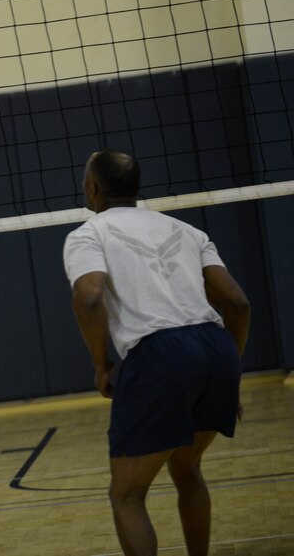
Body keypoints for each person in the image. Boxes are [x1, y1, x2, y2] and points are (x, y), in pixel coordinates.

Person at [63, 149, 251, 556]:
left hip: (161, 354)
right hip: (217, 349)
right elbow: (237, 304)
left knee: (127, 495)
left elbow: (89, 296)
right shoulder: (186, 230)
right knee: (187, 467)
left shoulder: (88, 234)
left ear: (93, 189)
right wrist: (230, 375)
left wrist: (101, 365)